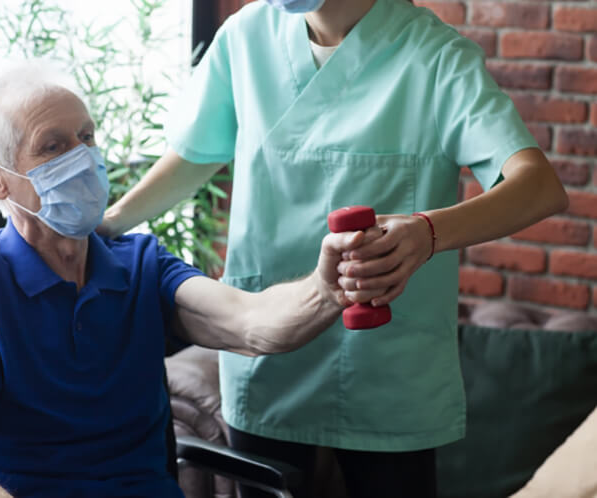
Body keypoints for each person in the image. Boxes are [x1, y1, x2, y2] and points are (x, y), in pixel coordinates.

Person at [98, 0, 570, 496]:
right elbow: (195, 155)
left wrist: (427, 232)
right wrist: (110, 223)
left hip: (387, 368)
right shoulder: (245, 38)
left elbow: (538, 187)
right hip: (270, 364)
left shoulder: (435, 56)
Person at [0, 65, 368, 498]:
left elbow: (251, 323)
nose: (83, 157)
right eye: (52, 146)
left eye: (86, 136)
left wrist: (326, 288)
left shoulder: (141, 264)